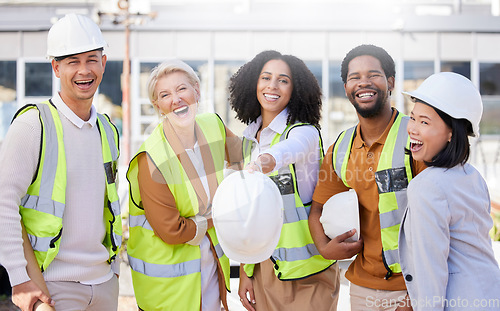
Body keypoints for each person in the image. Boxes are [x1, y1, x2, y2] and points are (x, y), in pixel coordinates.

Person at [0, 13, 121, 311]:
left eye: (92, 59)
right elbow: (3, 202)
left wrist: (114, 272)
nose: (84, 70)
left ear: (103, 63)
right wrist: (19, 278)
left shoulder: (108, 129)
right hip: (53, 289)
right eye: (72, 61)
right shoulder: (33, 125)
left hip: (104, 284)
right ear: (56, 67)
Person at [309, 44, 426, 311]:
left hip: (414, 286)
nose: (363, 82)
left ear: (391, 82)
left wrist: (419, 295)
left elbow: (444, 218)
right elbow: (317, 209)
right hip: (362, 289)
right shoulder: (339, 148)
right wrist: (325, 249)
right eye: (354, 77)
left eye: (373, 74)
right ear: (347, 87)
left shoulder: (418, 136)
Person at [126, 59, 241, 310]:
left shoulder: (213, 126)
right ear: (158, 105)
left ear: (196, 91)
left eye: (182, 89)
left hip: (210, 273)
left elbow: (244, 158)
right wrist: (219, 217)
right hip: (168, 291)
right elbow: (172, 230)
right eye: (165, 95)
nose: (175, 99)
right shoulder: (151, 158)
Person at [229, 50, 338, 311]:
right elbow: (252, 217)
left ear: (295, 89)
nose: (272, 86)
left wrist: (262, 163)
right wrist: (246, 270)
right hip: (266, 268)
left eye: (283, 80)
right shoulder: (248, 141)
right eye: (266, 77)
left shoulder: (305, 132)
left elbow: (288, 150)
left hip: (310, 273)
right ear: (253, 84)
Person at [399, 72, 500, 310]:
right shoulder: (471, 175)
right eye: (412, 118)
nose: (412, 129)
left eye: (425, 122)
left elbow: (430, 272)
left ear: (452, 132)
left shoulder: (427, 186)